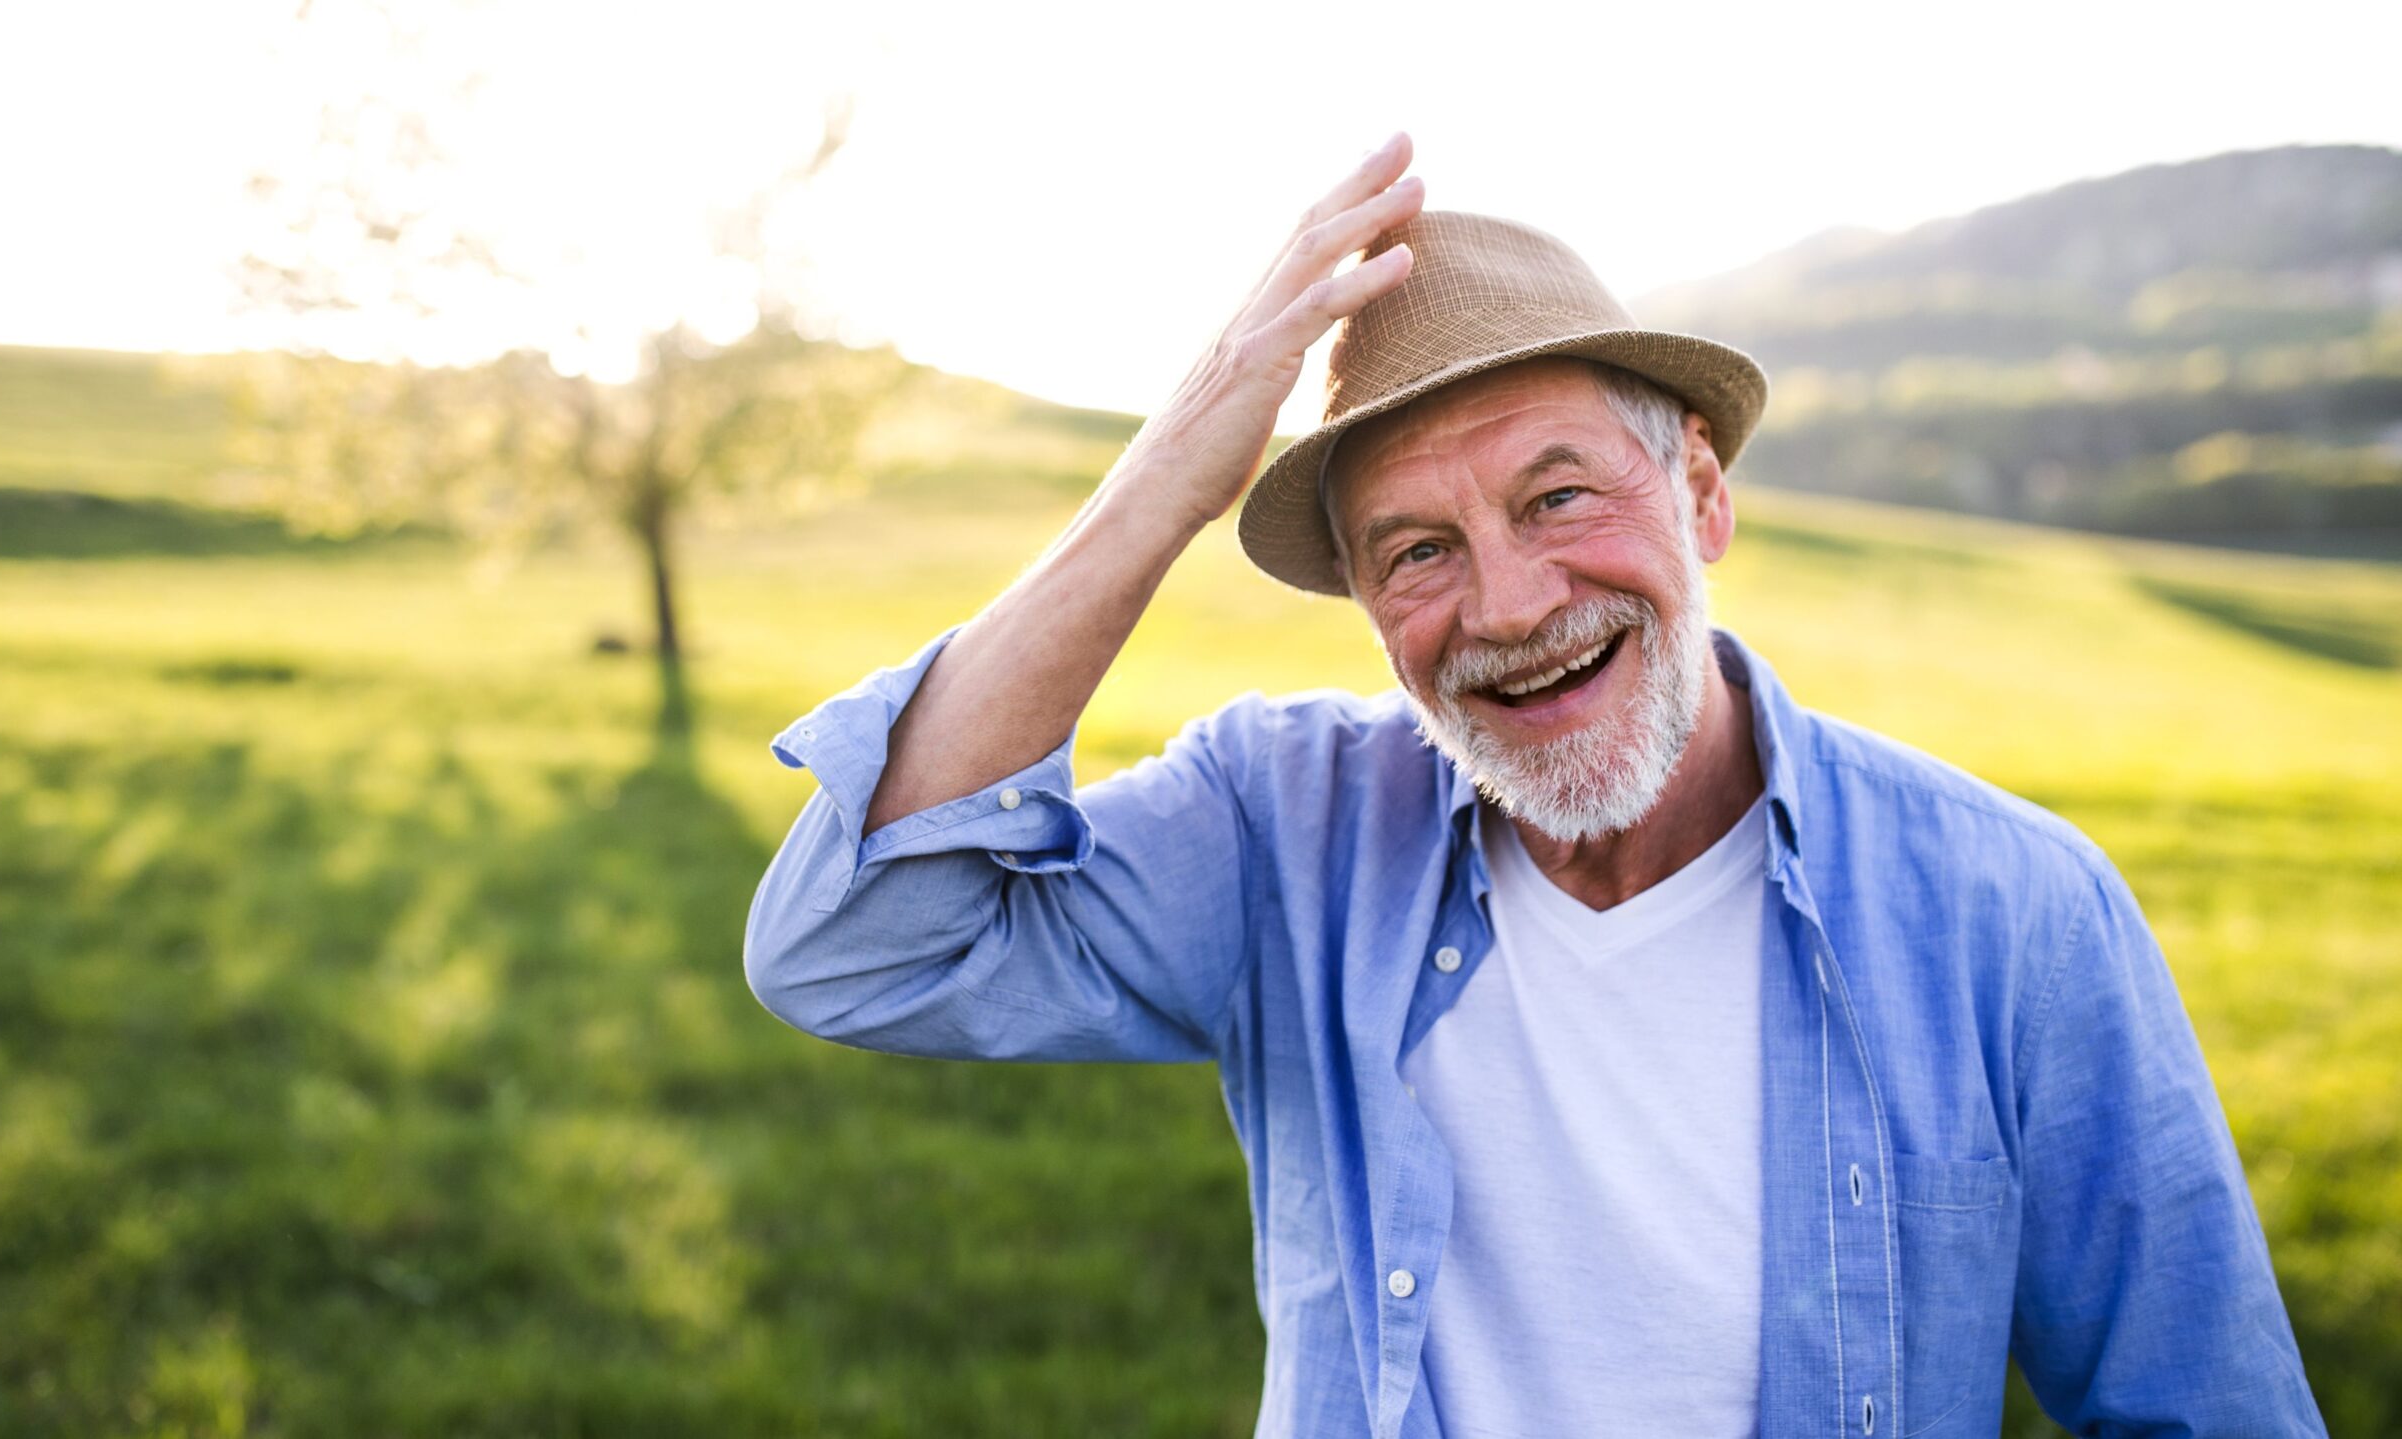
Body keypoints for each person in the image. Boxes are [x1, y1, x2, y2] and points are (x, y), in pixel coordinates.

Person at [742, 132, 2325, 1438]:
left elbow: (2203, 1412)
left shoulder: (2013, 913)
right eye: (1417, 551)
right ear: (1363, 603)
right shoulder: (1283, 828)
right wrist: (1174, 472)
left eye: (1557, 495)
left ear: (1700, 492)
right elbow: (858, 941)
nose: (1505, 608)